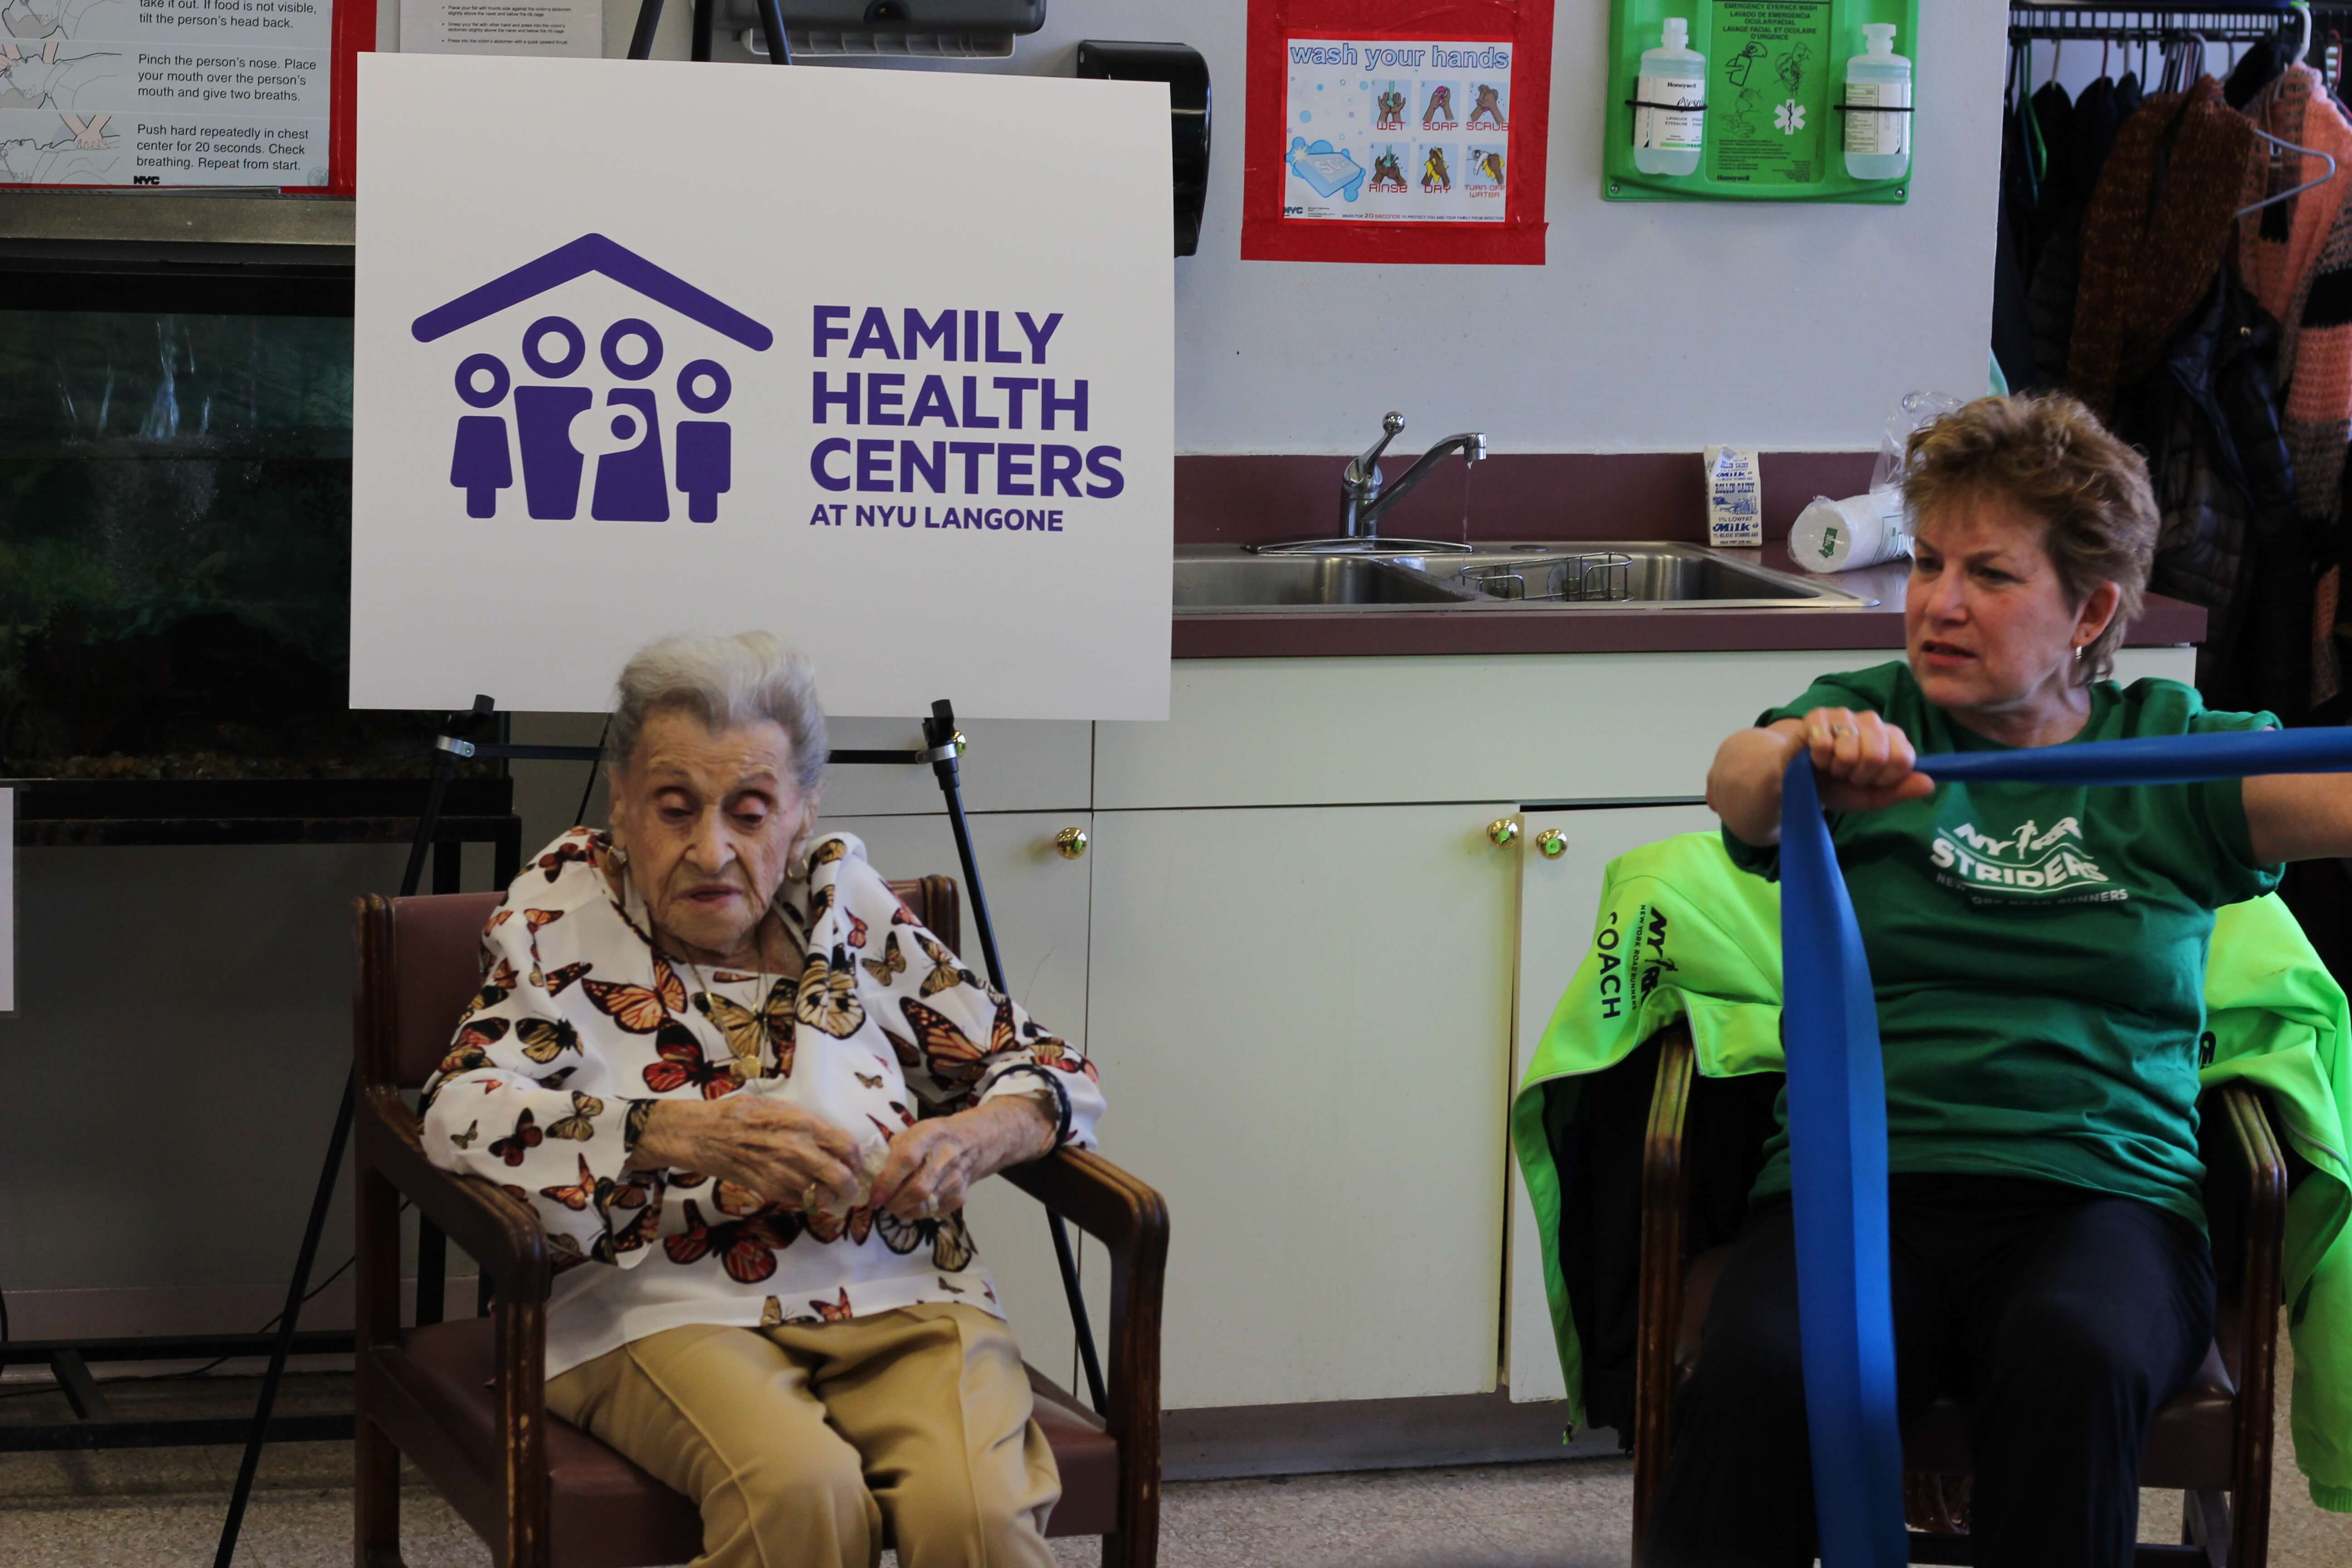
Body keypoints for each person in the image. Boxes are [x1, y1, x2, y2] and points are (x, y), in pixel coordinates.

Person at [1653, 393, 2352, 1566]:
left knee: (2074, 1358)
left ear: (2091, 611)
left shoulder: (2174, 750)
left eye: (1990, 574)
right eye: (1929, 562)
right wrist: (1801, 758)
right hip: (1862, 1187)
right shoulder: (1863, 720)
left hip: (2105, 1199)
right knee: (1766, 1370)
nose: (1940, 600)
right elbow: (1739, 783)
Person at [421, 631, 1102, 1568]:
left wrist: (974, 1138)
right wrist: (672, 1132)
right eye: (674, 809)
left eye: (750, 813)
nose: (711, 850)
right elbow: (459, 1110)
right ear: (622, 802)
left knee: (977, 1518)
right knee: (799, 1493)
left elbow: (1048, 1067)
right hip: (660, 1298)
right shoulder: (562, 915)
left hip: (901, 1285)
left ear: (802, 812)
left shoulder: (843, 906)